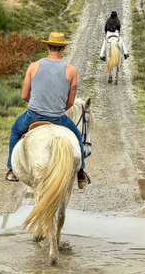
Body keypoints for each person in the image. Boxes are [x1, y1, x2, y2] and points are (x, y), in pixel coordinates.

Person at [7, 32, 90, 187]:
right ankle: (80, 173)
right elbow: (71, 102)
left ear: (47, 46)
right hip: (58, 118)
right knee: (78, 137)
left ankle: (12, 169)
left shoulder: (33, 66)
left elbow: (24, 95)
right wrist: (57, 109)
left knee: (16, 132)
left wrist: (37, 105)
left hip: (33, 116)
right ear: (63, 49)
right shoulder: (71, 70)